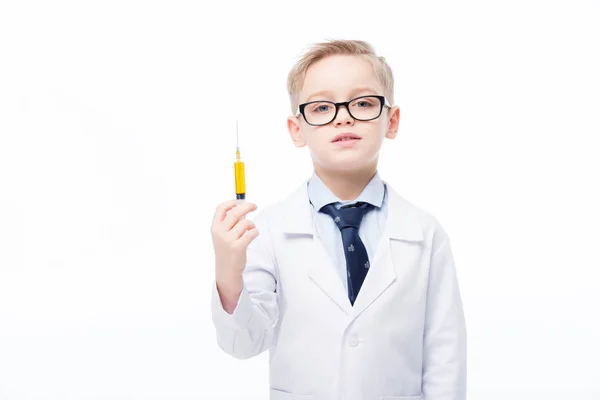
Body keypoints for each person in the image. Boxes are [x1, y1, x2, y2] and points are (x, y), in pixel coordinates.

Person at [210, 39, 467, 400]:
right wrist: (228, 270)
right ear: (296, 129)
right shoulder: (268, 231)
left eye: (362, 103)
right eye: (321, 107)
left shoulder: (425, 234)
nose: (343, 116)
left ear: (391, 121)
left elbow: (445, 359)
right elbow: (243, 342)